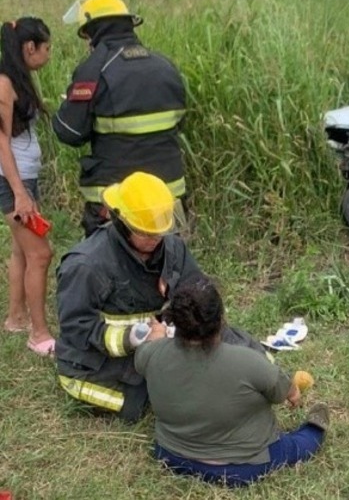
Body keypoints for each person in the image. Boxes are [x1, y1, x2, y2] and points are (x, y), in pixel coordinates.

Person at [55, 172, 265, 422]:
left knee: (240, 348)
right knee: (163, 395)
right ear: (122, 224)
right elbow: (77, 329)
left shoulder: (171, 247)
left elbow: (199, 292)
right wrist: (135, 337)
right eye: (147, 234)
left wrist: (185, 312)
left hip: (159, 343)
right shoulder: (87, 266)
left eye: (160, 232)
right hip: (96, 363)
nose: (157, 240)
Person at [135, 273, 329, 487]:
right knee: (296, 445)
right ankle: (315, 427)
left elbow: (146, 351)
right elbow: (286, 392)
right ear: (220, 320)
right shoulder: (248, 361)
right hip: (241, 467)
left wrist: (156, 333)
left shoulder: (151, 354)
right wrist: (294, 395)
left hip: (172, 456)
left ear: (176, 320)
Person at [53, 0, 188, 237]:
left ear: (93, 32)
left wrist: (66, 106)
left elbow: (69, 132)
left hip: (117, 199)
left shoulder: (95, 68)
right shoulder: (165, 66)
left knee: (111, 271)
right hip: (168, 194)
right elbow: (178, 122)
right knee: (170, 266)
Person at [0, 17, 55, 356]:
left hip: (23, 177)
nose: (48, 56)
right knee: (41, 253)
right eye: (46, 48)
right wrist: (20, 192)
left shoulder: (19, 79)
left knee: (22, 251)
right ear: (29, 47)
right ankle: (39, 334)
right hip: (10, 180)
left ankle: (15, 318)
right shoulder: (4, 83)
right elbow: (1, 141)